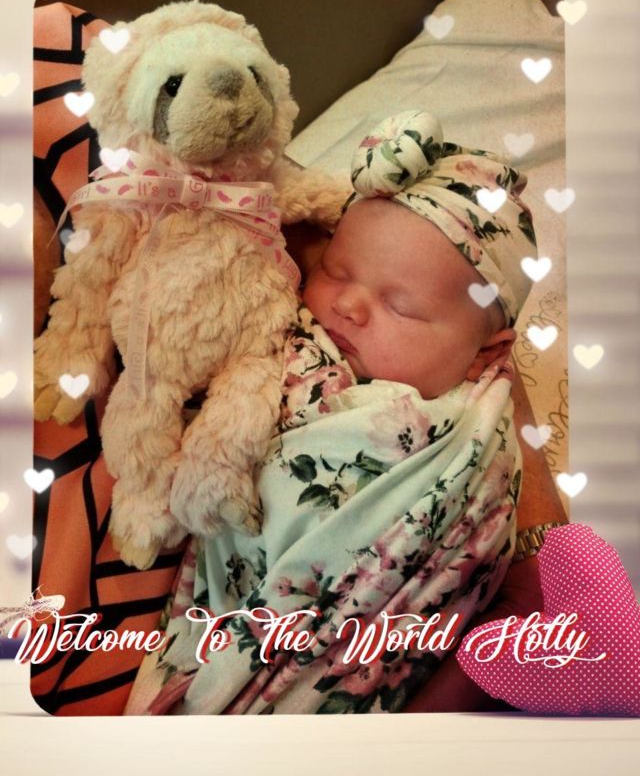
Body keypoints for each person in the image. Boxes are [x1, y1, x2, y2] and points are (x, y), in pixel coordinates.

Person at [124, 109, 567, 715]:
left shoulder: (474, 444)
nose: (349, 305)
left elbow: (477, 558)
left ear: (485, 354)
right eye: (335, 271)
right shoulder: (287, 341)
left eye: (400, 306)